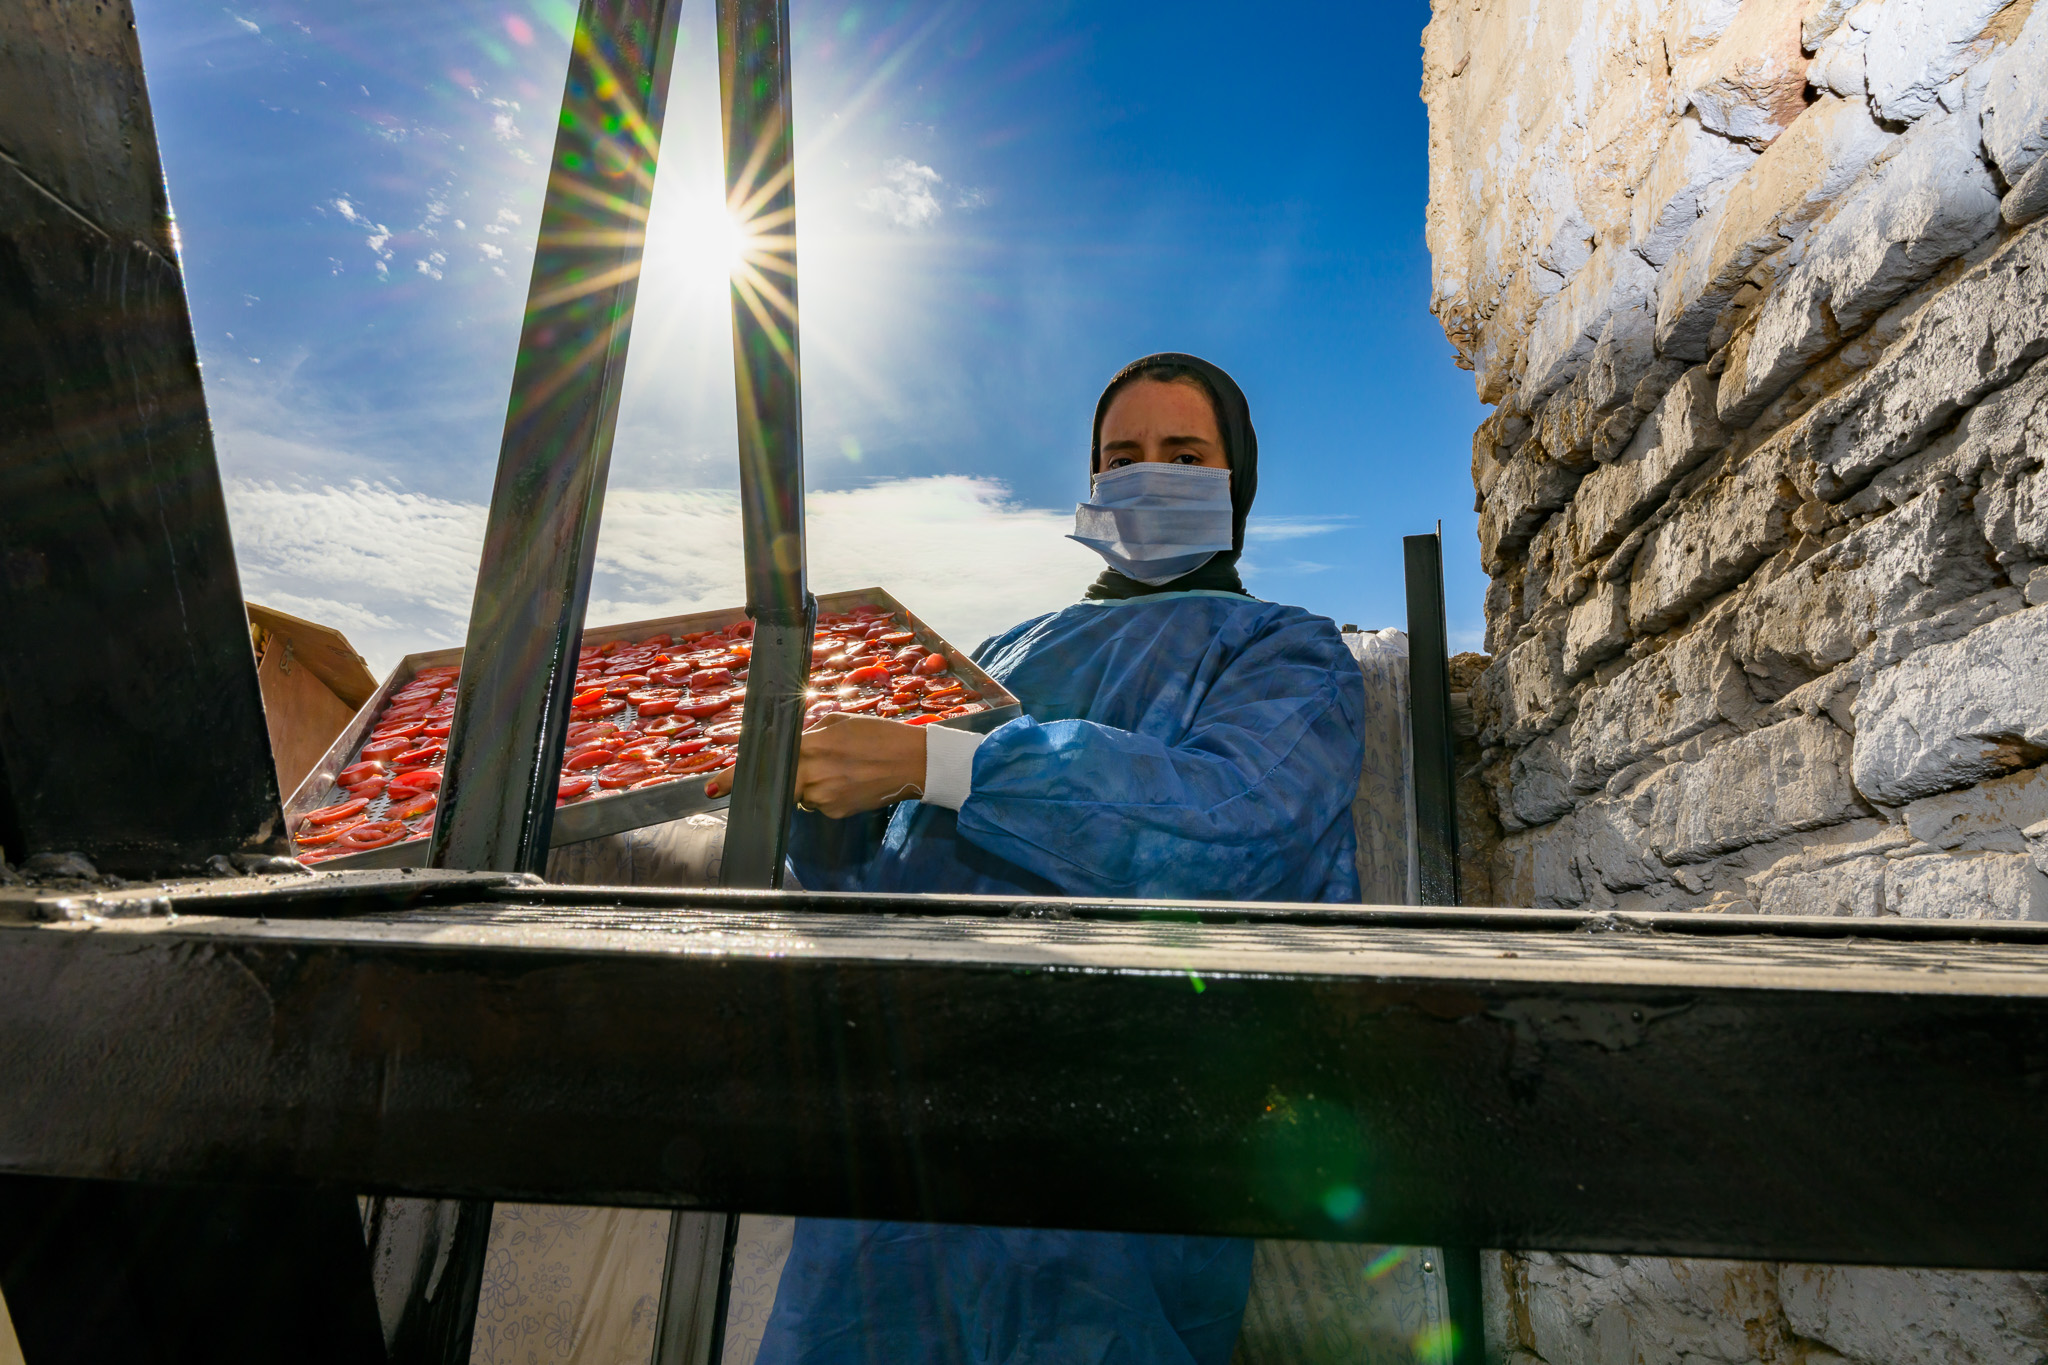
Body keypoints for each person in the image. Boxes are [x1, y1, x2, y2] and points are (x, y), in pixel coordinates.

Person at [710, 353, 1366, 1364]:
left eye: (1184, 453)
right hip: (903, 1147)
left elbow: (1228, 832)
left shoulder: (1285, 654)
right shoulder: (1000, 650)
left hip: (1125, 1143)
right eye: (1120, 456)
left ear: (1236, 480)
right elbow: (881, 874)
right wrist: (809, 798)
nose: (1147, 476)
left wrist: (945, 762)